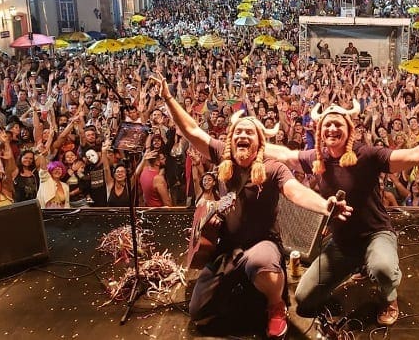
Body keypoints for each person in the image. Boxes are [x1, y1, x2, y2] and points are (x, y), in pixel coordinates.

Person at [150, 75, 351, 339]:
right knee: (198, 311)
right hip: (227, 247)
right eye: (239, 132)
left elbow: (295, 192)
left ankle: (276, 306)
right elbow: (192, 131)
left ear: (259, 143)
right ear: (231, 139)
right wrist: (167, 98)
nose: (243, 134)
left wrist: (325, 206)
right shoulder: (224, 157)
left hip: (262, 244)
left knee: (261, 263)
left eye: (250, 132)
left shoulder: (272, 167)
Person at [265, 99, 419, 326]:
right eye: (327, 124)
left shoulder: (367, 155)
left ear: (349, 130)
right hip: (343, 243)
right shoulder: (317, 158)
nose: (332, 128)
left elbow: (415, 155)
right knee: (304, 300)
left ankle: (389, 297)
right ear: (320, 130)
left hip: (376, 234)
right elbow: (285, 155)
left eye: (338, 124)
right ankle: (359, 264)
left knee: (383, 270)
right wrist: (250, 138)